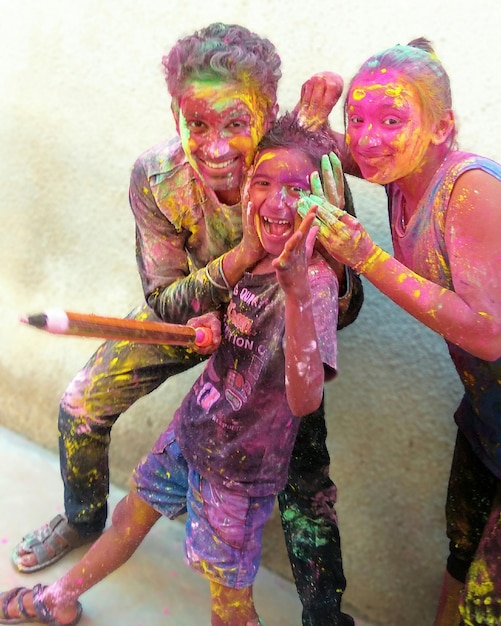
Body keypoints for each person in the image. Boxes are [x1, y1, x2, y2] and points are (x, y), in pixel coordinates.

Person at [12, 23, 362, 626]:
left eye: (235, 123)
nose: (217, 147)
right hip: (189, 316)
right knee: (80, 402)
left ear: (266, 112)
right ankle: (83, 517)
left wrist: (291, 284)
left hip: (272, 337)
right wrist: (235, 266)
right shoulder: (154, 177)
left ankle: (324, 615)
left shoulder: (299, 165)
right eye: (197, 123)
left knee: (305, 480)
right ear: (175, 113)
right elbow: (164, 299)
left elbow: (346, 305)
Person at [297, 38, 501, 626]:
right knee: (462, 556)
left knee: (489, 604)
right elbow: (328, 150)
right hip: (488, 417)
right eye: (357, 118)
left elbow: (488, 333)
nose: (368, 137)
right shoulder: (399, 170)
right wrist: (313, 116)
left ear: (443, 128)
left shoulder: (471, 189)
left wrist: (364, 256)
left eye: (391, 119)